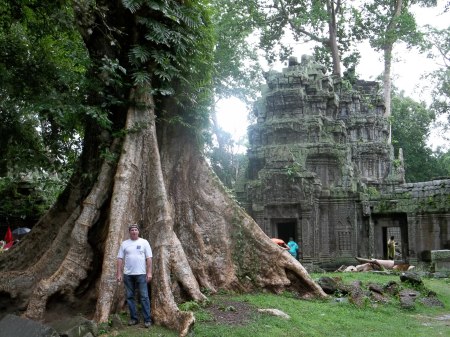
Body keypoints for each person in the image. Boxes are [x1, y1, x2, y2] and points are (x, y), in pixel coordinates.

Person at [117, 223, 153, 328]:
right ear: (129, 232)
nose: (134, 231)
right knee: (130, 297)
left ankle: (147, 319)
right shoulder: (124, 244)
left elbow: (149, 258)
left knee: (144, 297)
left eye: (135, 230)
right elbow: (120, 259)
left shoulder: (144, 242)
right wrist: (119, 273)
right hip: (128, 275)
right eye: (132, 230)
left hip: (141, 274)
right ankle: (134, 319)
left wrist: (149, 272)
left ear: (138, 231)